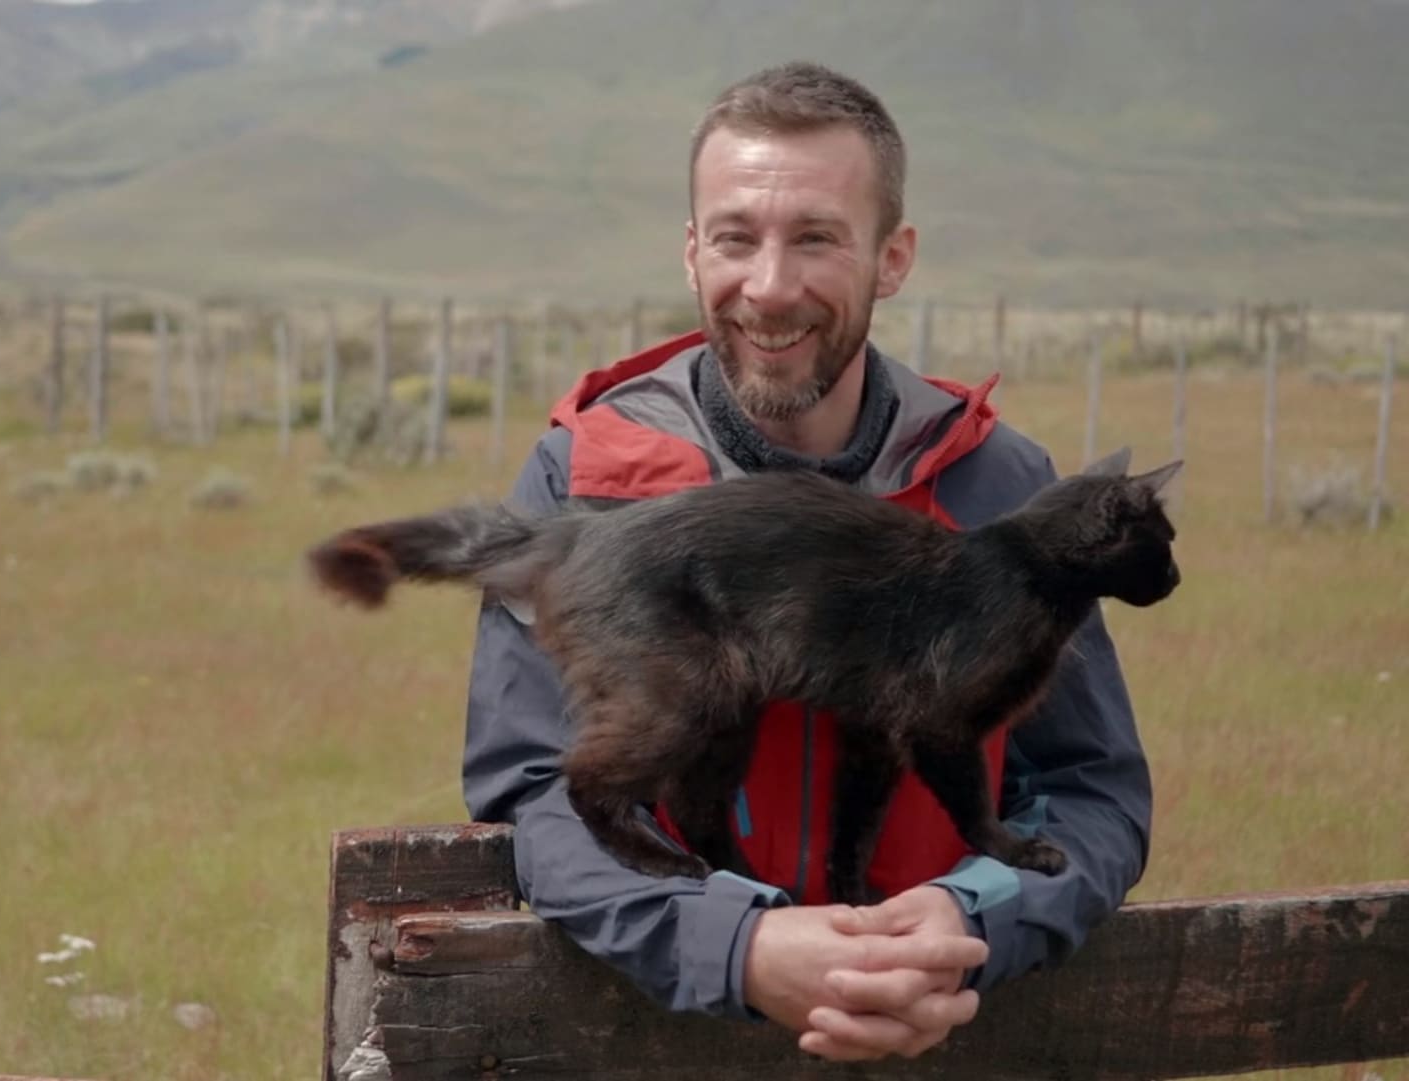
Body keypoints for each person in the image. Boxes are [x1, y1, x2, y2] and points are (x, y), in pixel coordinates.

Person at [460, 61, 1151, 1062]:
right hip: (656, 1042)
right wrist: (734, 942)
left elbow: (1095, 790)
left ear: (893, 256)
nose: (770, 287)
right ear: (692, 252)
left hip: (950, 1036)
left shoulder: (1001, 487)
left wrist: (973, 917)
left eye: (818, 237)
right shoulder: (583, 480)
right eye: (736, 237)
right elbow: (533, 793)